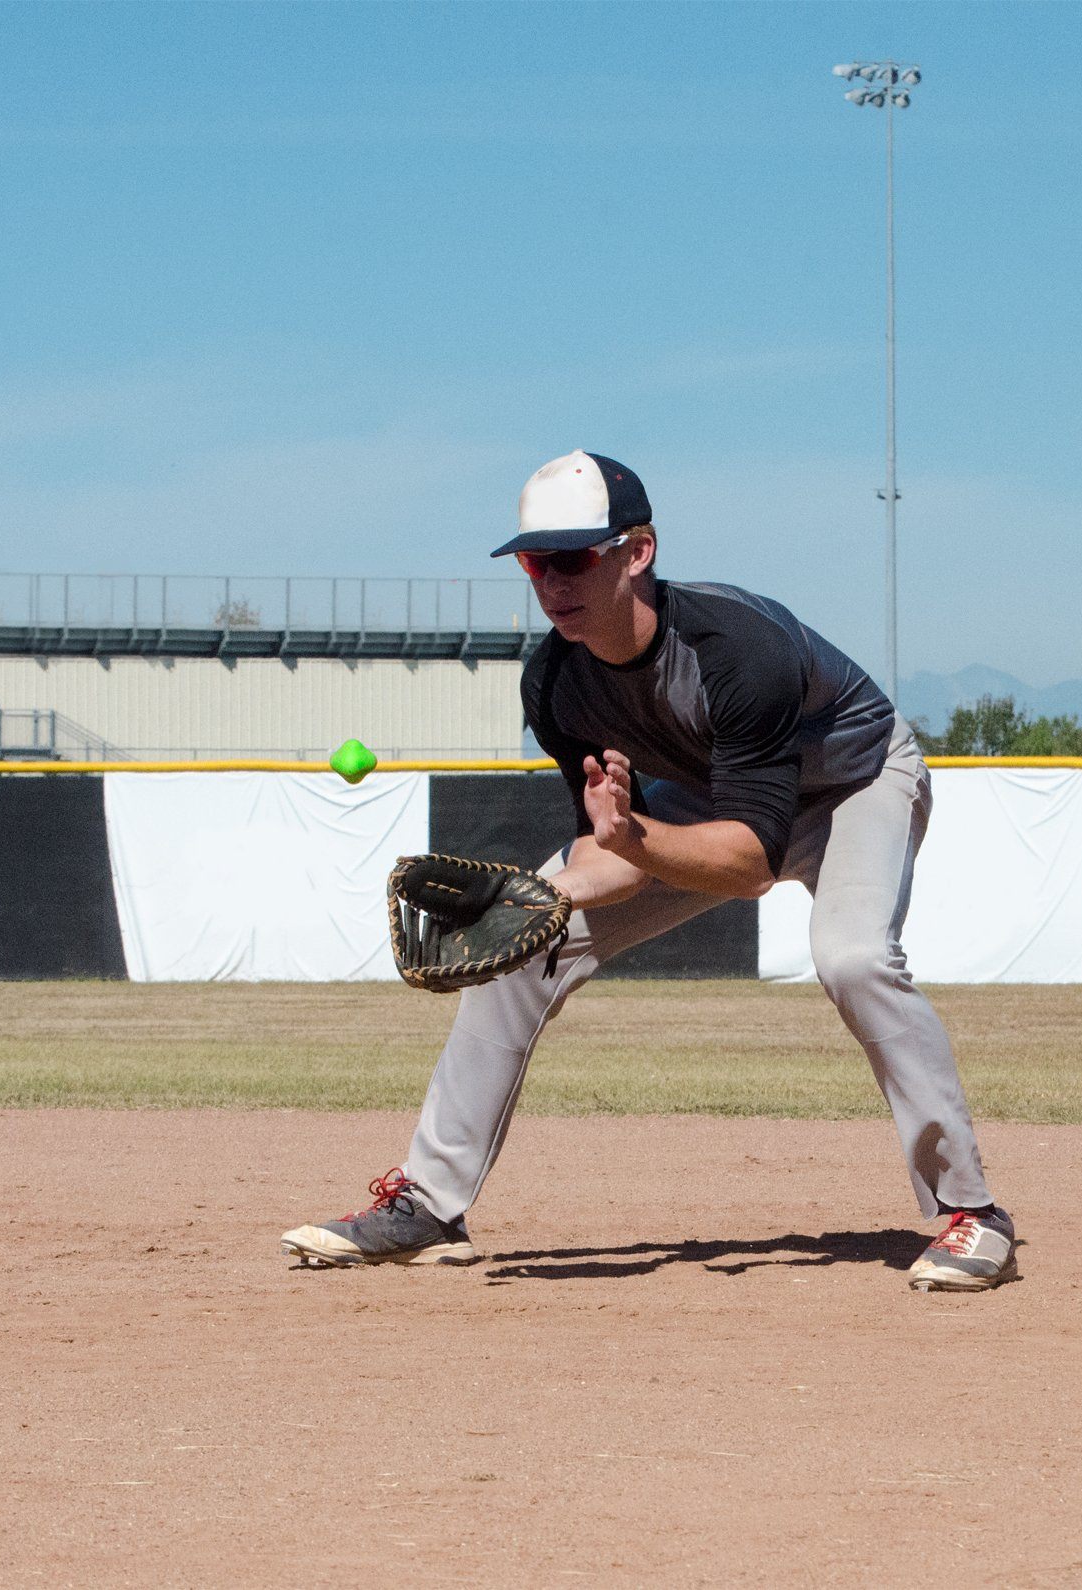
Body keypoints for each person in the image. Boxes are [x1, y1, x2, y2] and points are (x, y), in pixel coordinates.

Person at [281, 450, 1015, 1291]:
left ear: (637, 552)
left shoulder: (739, 649)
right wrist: (541, 895)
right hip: (709, 797)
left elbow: (745, 866)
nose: (550, 579)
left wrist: (632, 840)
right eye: (533, 560)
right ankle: (428, 1208)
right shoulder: (556, 683)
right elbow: (610, 846)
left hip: (856, 781)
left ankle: (973, 1212)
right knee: (522, 948)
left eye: (572, 557)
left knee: (853, 957)